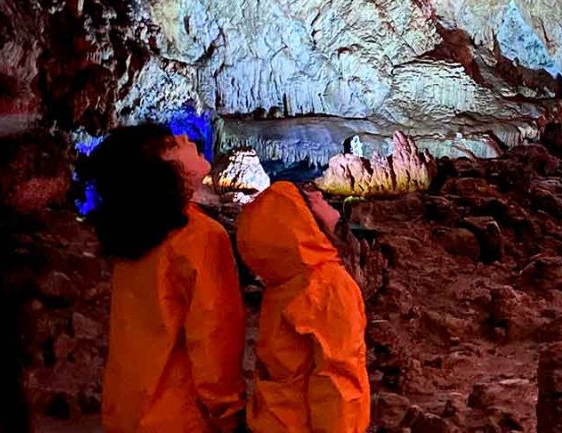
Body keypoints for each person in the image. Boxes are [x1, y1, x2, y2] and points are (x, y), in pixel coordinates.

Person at [79, 124, 245, 433]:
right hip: (177, 416)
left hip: (126, 408)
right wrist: (229, 413)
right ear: (158, 171)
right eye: (170, 143)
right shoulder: (200, 238)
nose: (184, 136)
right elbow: (213, 336)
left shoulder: (136, 232)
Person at [235, 181, 371, 433]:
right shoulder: (326, 284)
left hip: (271, 421)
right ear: (300, 217)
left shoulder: (282, 284)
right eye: (309, 195)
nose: (320, 193)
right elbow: (338, 380)